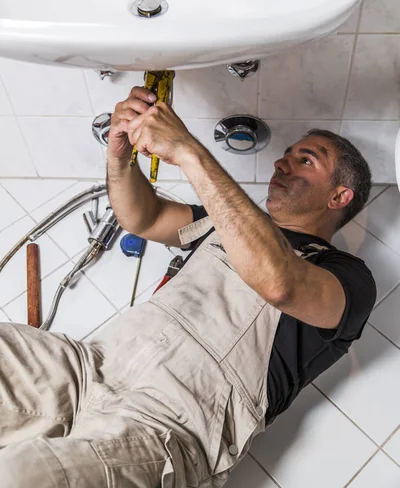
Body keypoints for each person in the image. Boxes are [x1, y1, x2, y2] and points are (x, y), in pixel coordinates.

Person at [0, 86, 376, 488]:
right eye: (288, 154)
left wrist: (188, 150)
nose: (282, 163)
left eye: (306, 160)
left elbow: (279, 283)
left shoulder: (347, 277)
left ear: (340, 195)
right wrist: (119, 156)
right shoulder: (222, 222)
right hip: (87, 367)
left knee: (20, 476)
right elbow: (143, 218)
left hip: (167, 428)